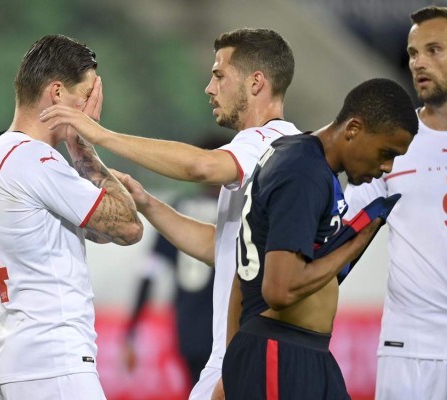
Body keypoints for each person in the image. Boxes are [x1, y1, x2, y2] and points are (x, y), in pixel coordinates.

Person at [40, 28, 301, 399]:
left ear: (256, 82)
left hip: (249, 353)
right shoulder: (265, 149)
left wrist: (101, 135)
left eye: (219, 75)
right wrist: (147, 202)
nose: (210, 88)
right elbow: (221, 248)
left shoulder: (269, 142)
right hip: (230, 352)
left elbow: (202, 168)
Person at [0, 34, 143, 400]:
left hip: (16, 362)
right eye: (87, 96)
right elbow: (128, 226)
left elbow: (100, 232)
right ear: (57, 93)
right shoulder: (35, 160)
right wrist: (83, 143)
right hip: (53, 363)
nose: (92, 112)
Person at [221, 78, 418, 399]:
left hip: (298, 351)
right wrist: (358, 238)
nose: (387, 167)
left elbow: (242, 277)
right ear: (353, 129)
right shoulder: (303, 173)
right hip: (279, 350)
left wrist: (230, 363)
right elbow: (280, 290)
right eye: (386, 152)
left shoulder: (301, 159)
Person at [343, 6, 447, 400]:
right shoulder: (389, 142)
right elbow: (338, 226)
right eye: (413, 54)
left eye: (434, 50)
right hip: (410, 350)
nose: (419, 63)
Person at [124, 133, 228, 389]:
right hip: (231, 327)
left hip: (188, 327)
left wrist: (132, 329)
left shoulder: (178, 208)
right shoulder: (238, 208)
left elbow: (150, 272)